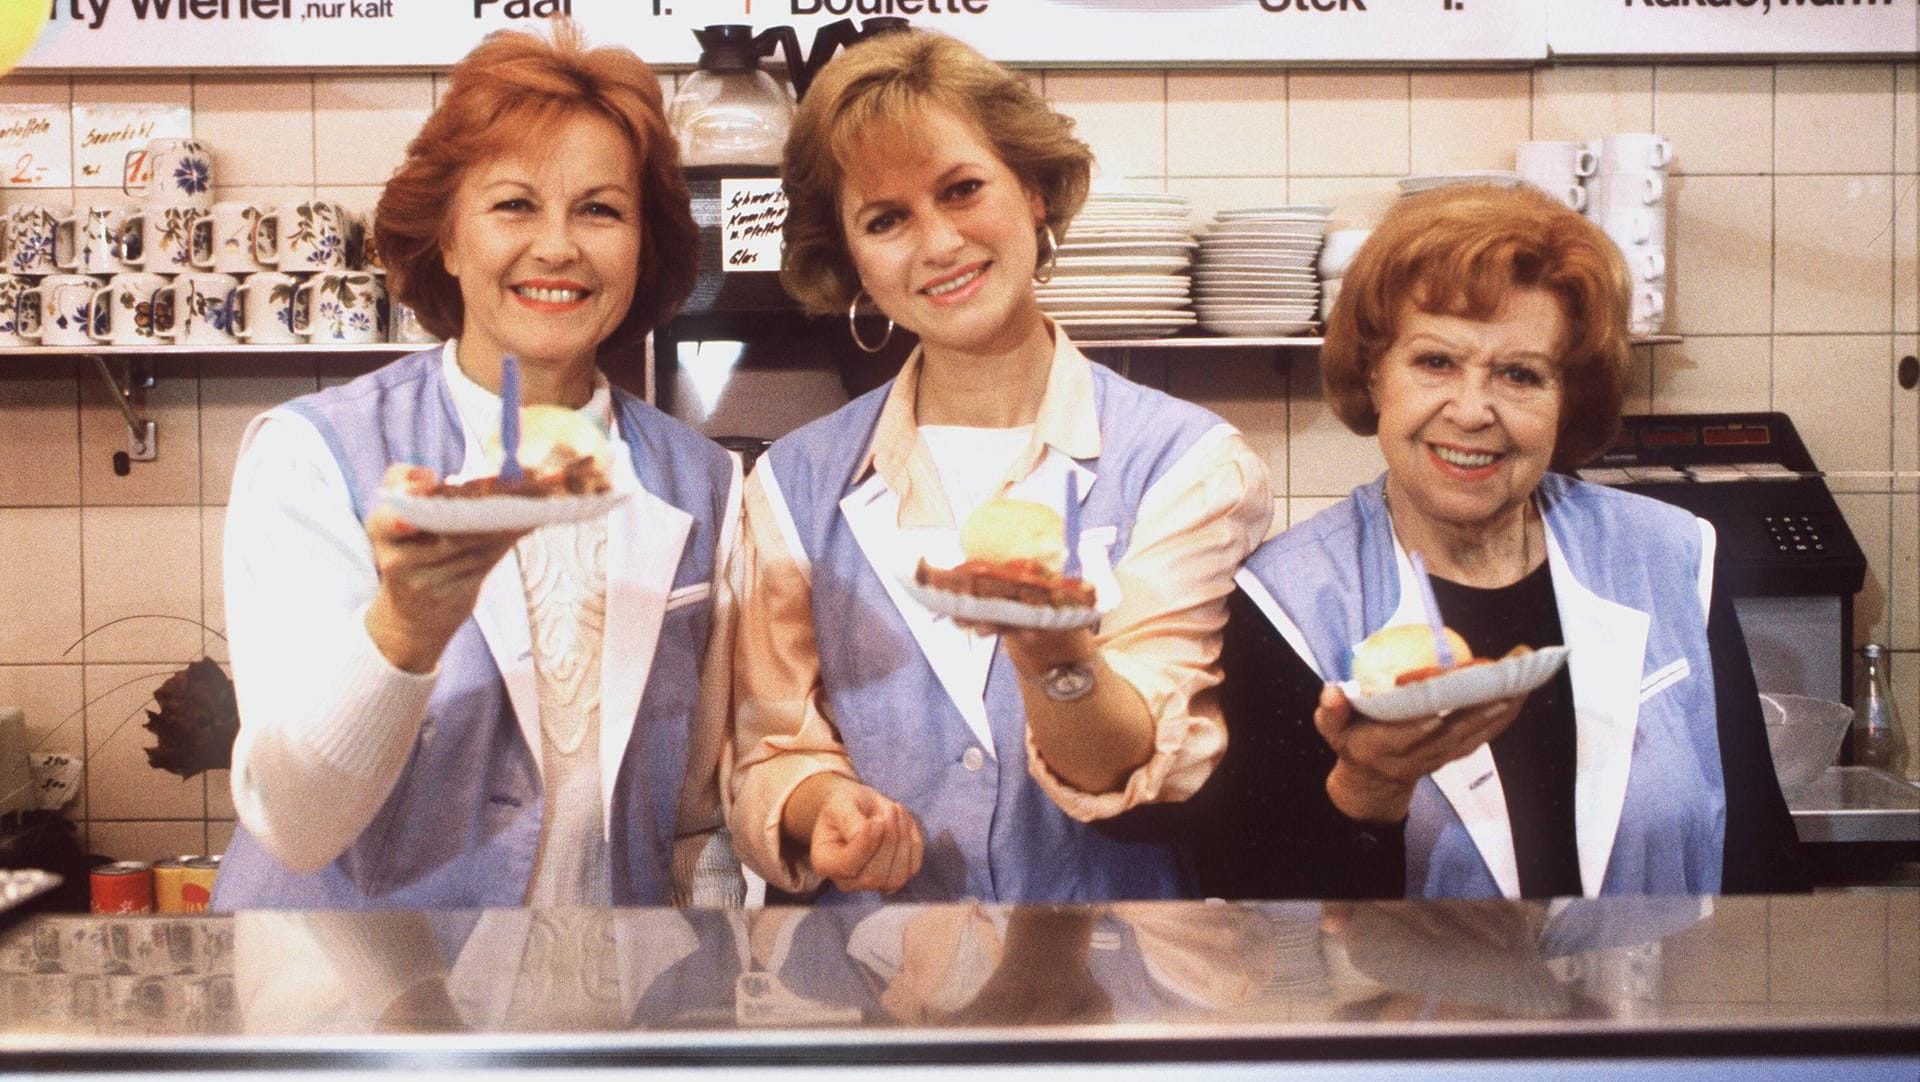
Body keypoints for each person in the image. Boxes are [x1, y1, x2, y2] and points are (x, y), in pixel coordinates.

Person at [729, 29, 1273, 904]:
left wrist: (1054, 654)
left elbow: (1137, 764)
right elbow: (771, 745)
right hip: (881, 992)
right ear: (852, 258)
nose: (939, 243)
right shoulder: (792, 488)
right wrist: (821, 806)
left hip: (1122, 995)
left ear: (1033, 190)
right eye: (886, 219)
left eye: (962, 189)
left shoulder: (1192, 468)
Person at [212, 22, 742, 910]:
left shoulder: (707, 482)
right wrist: (406, 629)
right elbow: (294, 822)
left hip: (596, 1006)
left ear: (643, 247)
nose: (559, 247)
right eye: (514, 205)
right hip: (354, 1001)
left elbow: (693, 810)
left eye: (600, 210)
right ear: (449, 240)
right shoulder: (316, 457)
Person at [1190, 183, 1803, 900]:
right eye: (1436, 363)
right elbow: (1258, 928)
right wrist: (1366, 789)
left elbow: (1761, 861)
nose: (1474, 412)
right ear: (1374, 371)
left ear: (1566, 398)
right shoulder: (1288, 602)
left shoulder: (1671, 557)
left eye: (1519, 375)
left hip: (1655, 1008)